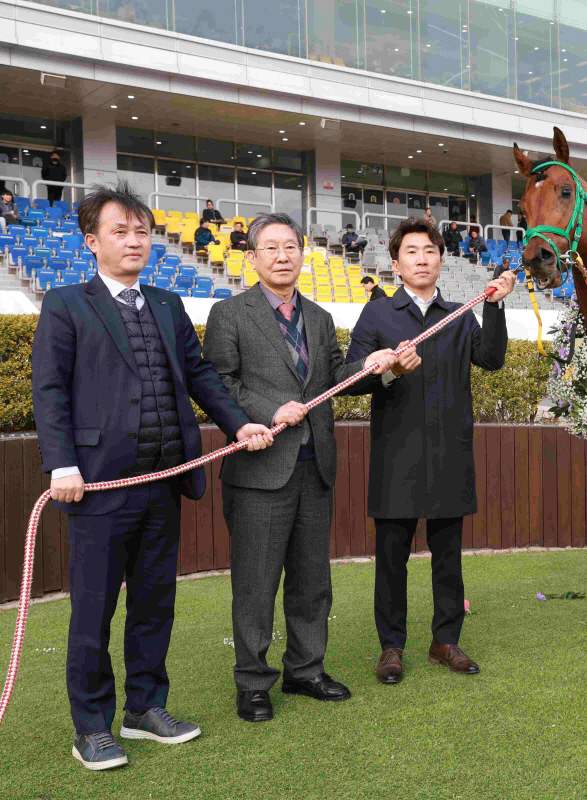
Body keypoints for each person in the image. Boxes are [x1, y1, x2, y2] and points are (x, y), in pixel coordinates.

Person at [31, 181, 274, 771]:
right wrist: (62, 464)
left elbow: (201, 375)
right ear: (92, 242)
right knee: (93, 611)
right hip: (98, 489)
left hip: (164, 483)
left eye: (141, 231)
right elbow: (50, 390)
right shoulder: (65, 303)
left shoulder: (167, 305)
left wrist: (239, 424)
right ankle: (92, 727)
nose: (134, 241)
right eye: (119, 231)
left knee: (154, 604)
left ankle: (144, 709)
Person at [204, 212, 396, 724]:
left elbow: (335, 377)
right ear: (252, 258)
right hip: (259, 470)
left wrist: (375, 367)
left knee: (312, 581)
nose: (282, 256)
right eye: (270, 248)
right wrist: (270, 411)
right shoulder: (229, 314)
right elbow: (219, 384)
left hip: (315, 467)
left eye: (290, 246)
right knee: (256, 584)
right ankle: (253, 683)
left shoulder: (319, 317)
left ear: (303, 253)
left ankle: (306, 670)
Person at [346, 216, 515, 685]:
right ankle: (391, 647)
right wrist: (386, 369)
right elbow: (348, 378)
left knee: (448, 557)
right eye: (412, 252)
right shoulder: (378, 314)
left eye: (430, 251)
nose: (421, 259)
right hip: (395, 455)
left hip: (449, 454)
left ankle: (446, 641)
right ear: (396, 263)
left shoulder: (460, 313)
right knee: (391, 559)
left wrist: (496, 307)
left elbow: (492, 359)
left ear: (441, 259)